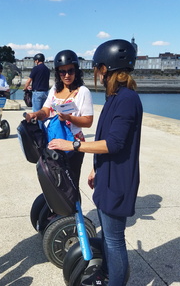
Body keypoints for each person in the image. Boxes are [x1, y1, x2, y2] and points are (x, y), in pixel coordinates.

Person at [48, 39, 143, 286]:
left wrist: (74, 145)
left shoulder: (127, 100)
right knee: (110, 238)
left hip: (119, 179)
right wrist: (95, 168)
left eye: (98, 68)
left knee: (114, 240)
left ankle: (116, 281)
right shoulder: (115, 97)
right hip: (107, 175)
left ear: (106, 69)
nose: (96, 74)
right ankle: (107, 272)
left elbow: (114, 143)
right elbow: (105, 139)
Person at [25, 49, 93, 188]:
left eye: (70, 71)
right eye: (62, 72)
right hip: (54, 141)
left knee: (71, 185)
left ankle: (75, 210)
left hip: (73, 144)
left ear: (76, 71)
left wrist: (69, 118)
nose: (67, 75)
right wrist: (35, 115)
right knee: (55, 183)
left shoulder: (83, 92)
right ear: (58, 73)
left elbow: (88, 121)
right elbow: (46, 110)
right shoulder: (55, 89)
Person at [24, 53, 50, 126]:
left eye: (35, 61)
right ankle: (45, 131)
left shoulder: (36, 68)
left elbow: (29, 80)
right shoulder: (47, 69)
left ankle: (39, 132)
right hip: (45, 93)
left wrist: (25, 88)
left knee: (37, 114)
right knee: (44, 113)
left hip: (37, 93)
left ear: (37, 60)